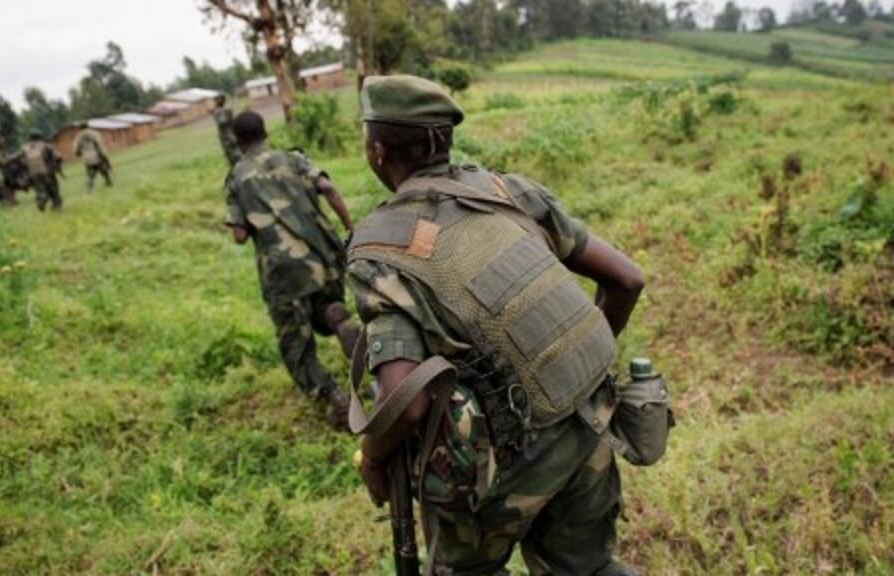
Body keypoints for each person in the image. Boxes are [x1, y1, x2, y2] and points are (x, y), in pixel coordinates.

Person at [349, 75, 646, 575]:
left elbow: (405, 402)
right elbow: (627, 280)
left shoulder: (379, 250)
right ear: (443, 139)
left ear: (377, 152)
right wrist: (566, 374)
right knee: (589, 567)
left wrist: (373, 458)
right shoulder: (510, 191)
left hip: (498, 467)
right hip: (591, 425)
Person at [223, 111, 359, 429]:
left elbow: (239, 235)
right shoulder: (293, 158)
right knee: (323, 307)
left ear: (237, 141)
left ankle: (333, 396)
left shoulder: (236, 177)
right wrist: (349, 227)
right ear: (264, 132)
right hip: (323, 258)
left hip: (283, 274)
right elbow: (328, 188)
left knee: (296, 346)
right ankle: (335, 319)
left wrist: (250, 222)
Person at [13, 130, 63, 211]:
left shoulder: (25, 147)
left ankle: (41, 199)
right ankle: (56, 205)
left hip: (33, 173)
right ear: (40, 136)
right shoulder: (46, 145)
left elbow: (15, 157)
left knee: (40, 189)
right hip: (47, 171)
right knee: (53, 188)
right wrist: (57, 167)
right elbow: (58, 157)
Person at [72, 122, 112, 191]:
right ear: (88, 126)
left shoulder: (78, 137)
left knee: (90, 174)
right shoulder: (94, 133)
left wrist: (80, 154)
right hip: (97, 156)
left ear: (80, 128)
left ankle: (89, 188)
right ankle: (108, 182)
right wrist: (104, 155)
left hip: (87, 158)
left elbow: (75, 149)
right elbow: (99, 145)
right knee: (103, 170)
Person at [211, 94, 242, 167]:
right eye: (215, 100)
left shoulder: (224, 110)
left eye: (217, 100)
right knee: (229, 154)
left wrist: (215, 113)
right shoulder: (221, 110)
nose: (216, 102)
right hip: (225, 136)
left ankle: (239, 166)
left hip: (229, 135)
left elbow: (222, 121)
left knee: (235, 153)